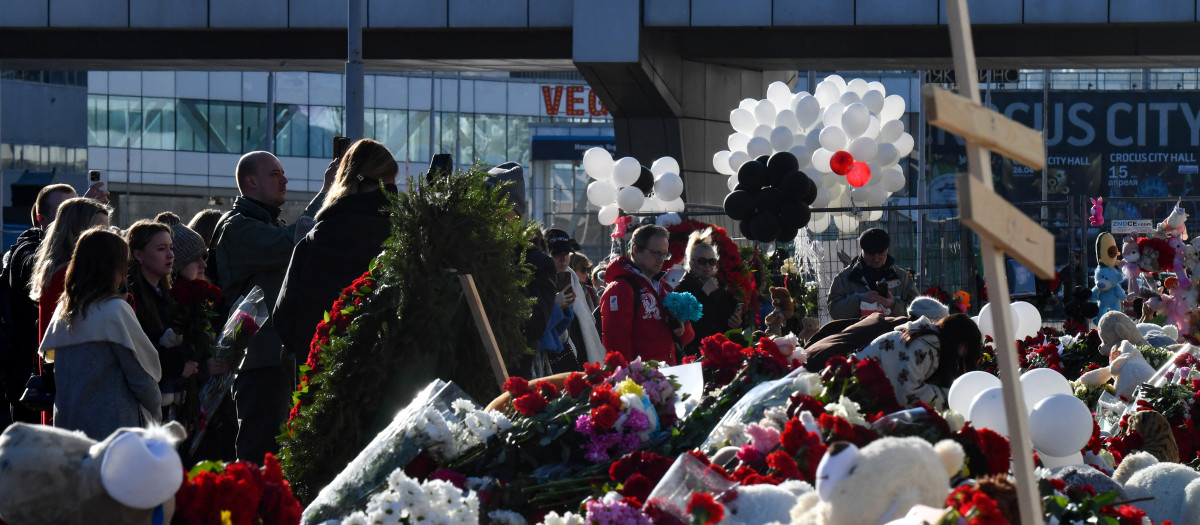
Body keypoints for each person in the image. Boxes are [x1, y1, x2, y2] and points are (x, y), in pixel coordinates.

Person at [206, 150, 331, 462]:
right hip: (259, 361)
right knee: (259, 454)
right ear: (251, 181)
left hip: (275, 358)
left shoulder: (263, 223)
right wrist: (328, 192)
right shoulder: (236, 227)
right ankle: (248, 510)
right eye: (275, 174)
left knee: (278, 454)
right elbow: (296, 240)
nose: (285, 180)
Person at [276, 139, 398, 364]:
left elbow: (284, 317)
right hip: (387, 375)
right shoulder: (404, 236)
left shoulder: (314, 241)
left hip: (320, 375)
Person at [39, 228, 162, 439]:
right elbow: (141, 378)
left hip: (70, 428)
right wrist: (157, 415)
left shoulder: (63, 310)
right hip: (114, 432)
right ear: (111, 267)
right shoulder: (115, 310)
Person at [1, 183, 76, 424]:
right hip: (30, 383)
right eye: (64, 210)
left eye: (75, 210)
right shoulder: (27, 245)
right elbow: (37, 267)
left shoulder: (81, 252)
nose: (71, 218)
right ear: (41, 219)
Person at [485, 162, 558, 378]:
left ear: (516, 215)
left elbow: (534, 325)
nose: (492, 220)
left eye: (500, 213)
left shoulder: (537, 262)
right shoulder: (467, 254)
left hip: (511, 374)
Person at [599, 225, 694, 365]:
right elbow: (616, 346)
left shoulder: (664, 288)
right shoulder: (621, 288)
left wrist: (681, 330)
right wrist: (630, 380)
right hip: (641, 380)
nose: (661, 259)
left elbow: (688, 337)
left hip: (667, 375)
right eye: (655, 253)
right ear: (636, 250)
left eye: (664, 254)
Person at [854, 313, 982, 410]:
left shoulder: (928, 343)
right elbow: (907, 395)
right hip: (849, 389)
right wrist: (952, 397)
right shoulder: (923, 347)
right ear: (962, 344)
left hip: (857, 391)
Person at [30, 198, 113, 342]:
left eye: (107, 231)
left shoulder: (70, 268)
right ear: (77, 232)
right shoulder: (66, 273)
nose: (107, 238)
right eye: (98, 231)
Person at [802, 296, 950, 372]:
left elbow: (832, 327)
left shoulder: (878, 317)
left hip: (808, 354)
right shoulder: (899, 336)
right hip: (822, 365)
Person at [673, 228, 741, 358]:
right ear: (690, 263)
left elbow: (726, 318)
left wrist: (735, 322)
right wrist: (704, 293)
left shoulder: (722, 285)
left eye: (711, 262)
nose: (707, 266)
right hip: (695, 352)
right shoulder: (682, 288)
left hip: (720, 349)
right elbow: (684, 323)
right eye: (702, 261)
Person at [827, 228, 918, 320]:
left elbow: (918, 310)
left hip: (894, 333)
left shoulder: (902, 277)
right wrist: (860, 301)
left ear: (887, 251)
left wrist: (892, 305)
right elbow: (834, 311)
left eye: (881, 254)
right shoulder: (844, 278)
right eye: (871, 254)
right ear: (862, 251)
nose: (876, 258)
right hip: (857, 333)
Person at [545, 229, 604, 370]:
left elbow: (587, 322)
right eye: (556, 254)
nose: (563, 259)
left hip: (581, 355)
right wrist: (556, 305)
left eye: (566, 254)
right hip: (558, 360)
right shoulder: (540, 280)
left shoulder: (573, 279)